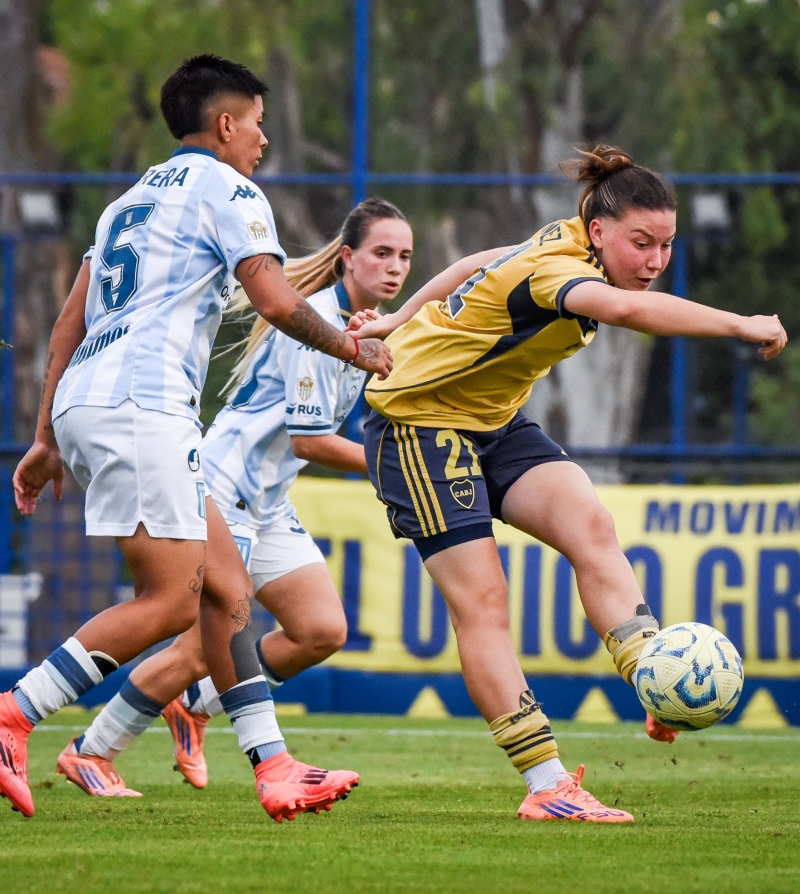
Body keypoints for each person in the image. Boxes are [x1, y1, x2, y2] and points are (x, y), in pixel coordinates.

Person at [2, 55, 392, 822]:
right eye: (257, 124)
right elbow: (274, 300)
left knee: (225, 588)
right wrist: (352, 347)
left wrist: (47, 438)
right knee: (169, 605)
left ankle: (274, 767)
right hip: (144, 404)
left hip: (92, 399)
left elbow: (68, 323)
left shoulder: (127, 202)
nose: (263, 140)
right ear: (224, 124)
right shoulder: (229, 189)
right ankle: (15, 714)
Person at [350, 144, 787, 824]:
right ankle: (547, 784)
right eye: (641, 243)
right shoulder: (563, 270)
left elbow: (476, 263)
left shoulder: (563, 241)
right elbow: (629, 313)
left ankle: (652, 675)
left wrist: (398, 316)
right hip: (418, 424)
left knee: (592, 527)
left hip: (492, 420)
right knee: (484, 603)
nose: (655, 261)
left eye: (666, 244)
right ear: (598, 232)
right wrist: (740, 323)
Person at [55, 197, 413, 793]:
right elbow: (309, 441)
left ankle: (194, 704)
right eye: (382, 253)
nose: (395, 266)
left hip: (266, 500)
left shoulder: (360, 326)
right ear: (348, 258)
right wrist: (396, 468)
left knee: (320, 630)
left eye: (404, 255)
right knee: (201, 646)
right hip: (225, 486)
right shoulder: (318, 327)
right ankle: (91, 751)